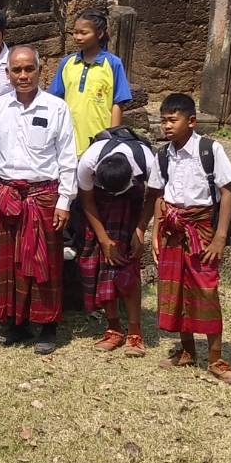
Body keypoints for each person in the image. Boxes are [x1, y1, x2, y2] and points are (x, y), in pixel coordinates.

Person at [0, 46, 77, 355]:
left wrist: (65, 200)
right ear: (7, 73)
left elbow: (67, 158)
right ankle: (15, 324)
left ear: (40, 71)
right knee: (9, 264)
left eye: (28, 69)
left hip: (45, 197)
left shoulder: (56, 107)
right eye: (16, 70)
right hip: (8, 196)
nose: (22, 75)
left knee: (45, 263)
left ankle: (47, 326)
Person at [154, 93, 231, 385]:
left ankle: (215, 357)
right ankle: (187, 350)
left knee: (205, 290)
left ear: (191, 121)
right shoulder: (163, 154)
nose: (166, 125)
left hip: (201, 229)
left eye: (172, 120)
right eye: (163, 120)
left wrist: (220, 237)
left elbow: (227, 192)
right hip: (172, 230)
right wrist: (155, 232)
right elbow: (159, 194)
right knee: (176, 290)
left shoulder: (210, 149)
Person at [77, 127, 160, 357]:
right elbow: (86, 199)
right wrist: (103, 239)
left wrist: (140, 229)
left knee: (128, 267)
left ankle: (135, 331)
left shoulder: (147, 161)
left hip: (131, 206)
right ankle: (113, 327)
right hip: (98, 208)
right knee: (102, 267)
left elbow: (154, 195)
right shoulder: (88, 162)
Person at [48, 9, 134, 154]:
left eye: (84, 33)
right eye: (75, 32)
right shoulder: (67, 63)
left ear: (99, 34)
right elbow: (55, 99)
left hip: (100, 139)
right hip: (68, 139)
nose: (78, 37)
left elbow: (118, 103)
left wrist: (112, 138)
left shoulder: (113, 63)